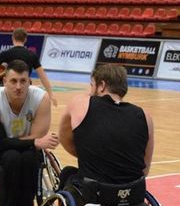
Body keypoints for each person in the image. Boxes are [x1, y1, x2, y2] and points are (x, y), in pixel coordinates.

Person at [0, 59, 59, 206]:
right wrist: (32, 142)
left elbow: (2, 141)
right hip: (1, 154)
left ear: (30, 82)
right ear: (4, 81)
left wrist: (3, 141)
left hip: (28, 150)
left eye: (23, 81)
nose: (18, 86)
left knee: (28, 157)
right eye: (13, 81)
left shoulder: (41, 98)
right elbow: (4, 145)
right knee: (12, 156)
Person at [58, 63, 154, 192]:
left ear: (101, 86)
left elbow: (63, 136)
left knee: (67, 174)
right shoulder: (145, 116)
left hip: (94, 193)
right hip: (132, 194)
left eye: (92, 86)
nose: (90, 91)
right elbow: (145, 169)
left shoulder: (81, 102)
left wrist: (89, 155)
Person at [0, 27, 57, 107]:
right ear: (25, 40)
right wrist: (51, 94)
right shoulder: (32, 55)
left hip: (10, 86)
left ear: (13, 38)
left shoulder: (7, 53)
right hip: (25, 85)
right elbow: (43, 76)